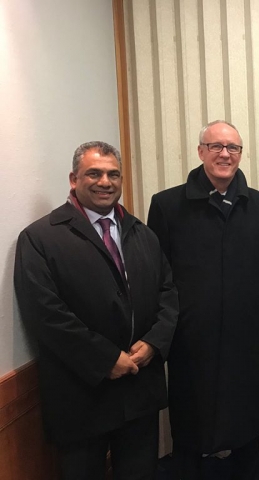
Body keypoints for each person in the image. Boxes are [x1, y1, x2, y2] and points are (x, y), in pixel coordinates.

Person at [13, 141, 179, 480]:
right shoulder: (40, 238)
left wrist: (154, 343)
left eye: (113, 174)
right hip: (81, 397)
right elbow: (46, 314)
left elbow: (168, 293)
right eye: (94, 173)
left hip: (139, 391)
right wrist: (105, 359)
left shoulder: (143, 234)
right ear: (74, 179)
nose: (105, 181)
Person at [147, 120, 259, 480]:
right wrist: (165, 329)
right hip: (189, 333)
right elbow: (157, 274)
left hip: (246, 332)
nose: (225, 154)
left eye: (232, 147)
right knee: (190, 416)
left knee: (245, 414)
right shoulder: (166, 204)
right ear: (201, 151)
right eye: (216, 146)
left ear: (241, 154)